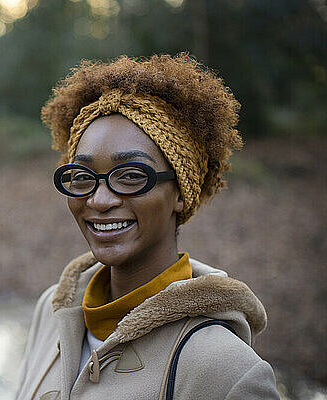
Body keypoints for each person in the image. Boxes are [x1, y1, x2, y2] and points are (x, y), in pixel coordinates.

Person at [15, 54, 280, 400]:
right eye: (82, 177)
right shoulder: (52, 311)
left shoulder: (227, 373)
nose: (98, 199)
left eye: (131, 176)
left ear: (181, 194)